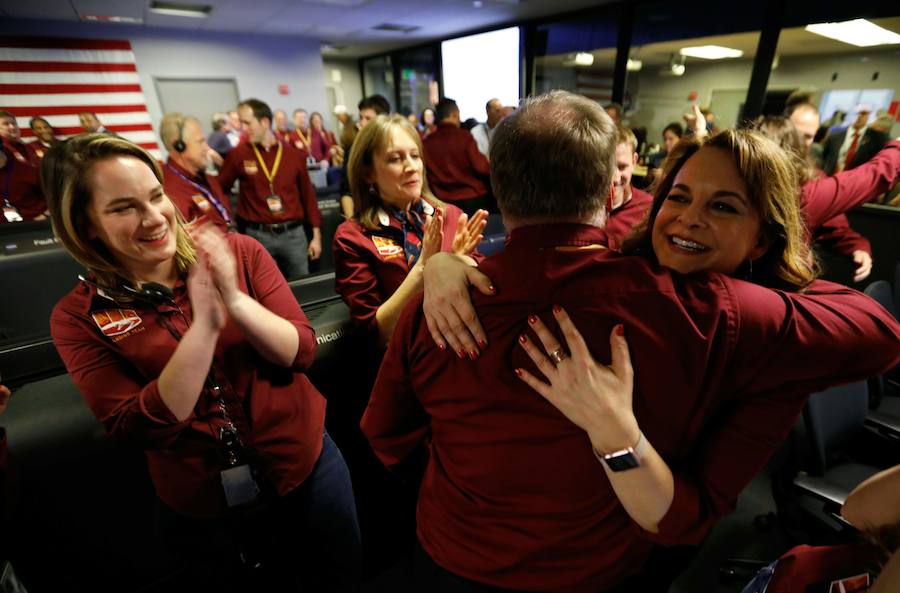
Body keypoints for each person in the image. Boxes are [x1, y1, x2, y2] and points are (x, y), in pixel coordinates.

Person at [363, 91, 900, 592]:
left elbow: (386, 435)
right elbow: (880, 334)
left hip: (448, 561)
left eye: (722, 206)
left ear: (497, 189)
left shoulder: (435, 311)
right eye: (682, 197)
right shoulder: (698, 311)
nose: (690, 218)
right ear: (610, 189)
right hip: (596, 573)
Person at [44, 134, 360, 591]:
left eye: (156, 196)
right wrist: (204, 330)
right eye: (124, 208)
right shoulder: (78, 317)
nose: (154, 218)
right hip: (205, 507)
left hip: (308, 468)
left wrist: (232, 299)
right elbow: (138, 427)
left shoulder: (239, 253)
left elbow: (301, 352)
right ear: (85, 225)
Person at [333, 114, 486, 347]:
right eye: (395, 158)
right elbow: (376, 333)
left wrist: (459, 265)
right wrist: (425, 267)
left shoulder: (450, 216)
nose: (411, 167)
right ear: (368, 173)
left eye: (415, 156)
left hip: (462, 351)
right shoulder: (352, 237)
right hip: (405, 360)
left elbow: (485, 291)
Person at [750, 115, 900, 283]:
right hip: (774, 287)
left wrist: (854, 244)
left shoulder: (807, 182)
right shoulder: (803, 194)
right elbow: (870, 177)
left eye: (810, 136)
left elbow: (832, 226)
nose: (807, 143)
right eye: (801, 136)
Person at [218, 98, 322, 279]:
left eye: (247, 123)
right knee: (266, 292)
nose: (243, 128)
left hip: (294, 236)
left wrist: (316, 235)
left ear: (265, 122)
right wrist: (229, 222)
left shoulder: (293, 155)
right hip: (258, 237)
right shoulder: (239, 154)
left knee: (302, 288)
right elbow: (220, 189)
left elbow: (308, 196)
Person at [159, 113, 234, 232]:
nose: (207, 148)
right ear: (179, 146)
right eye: (200, 142)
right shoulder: (170, 191)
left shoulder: (207, 178)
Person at [423, 98, 492, 217]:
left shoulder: (427, 142)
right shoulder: (464, 137)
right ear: (455, 114)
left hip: (441, 202)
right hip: (472, 200)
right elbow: (482, 168)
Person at [600, 125, 654, 250]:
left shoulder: (649, 210)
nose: (614, 177)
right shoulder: (579, 206)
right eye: (606, 167)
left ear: (634, 161)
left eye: (622, 167)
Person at [339, 95, 392, 219]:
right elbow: (346, 190)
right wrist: (351, 220)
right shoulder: (354, 149)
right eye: (361, 118)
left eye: (368, 118)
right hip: (362, 214)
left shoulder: (392, 146)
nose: (362, 123)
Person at [822, 104, 888, 175]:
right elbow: (824, 160)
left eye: (863, 113)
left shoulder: (878, 139)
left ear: (869, 116)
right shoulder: (834, 136)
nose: (859, 116)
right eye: (855, 113)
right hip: (831, 179)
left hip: (858, 182)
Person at [1, 140, 47, 222]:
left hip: (36, 224)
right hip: (5, 230)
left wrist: (45, 215)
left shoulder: (28, 171)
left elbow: (55, 198)